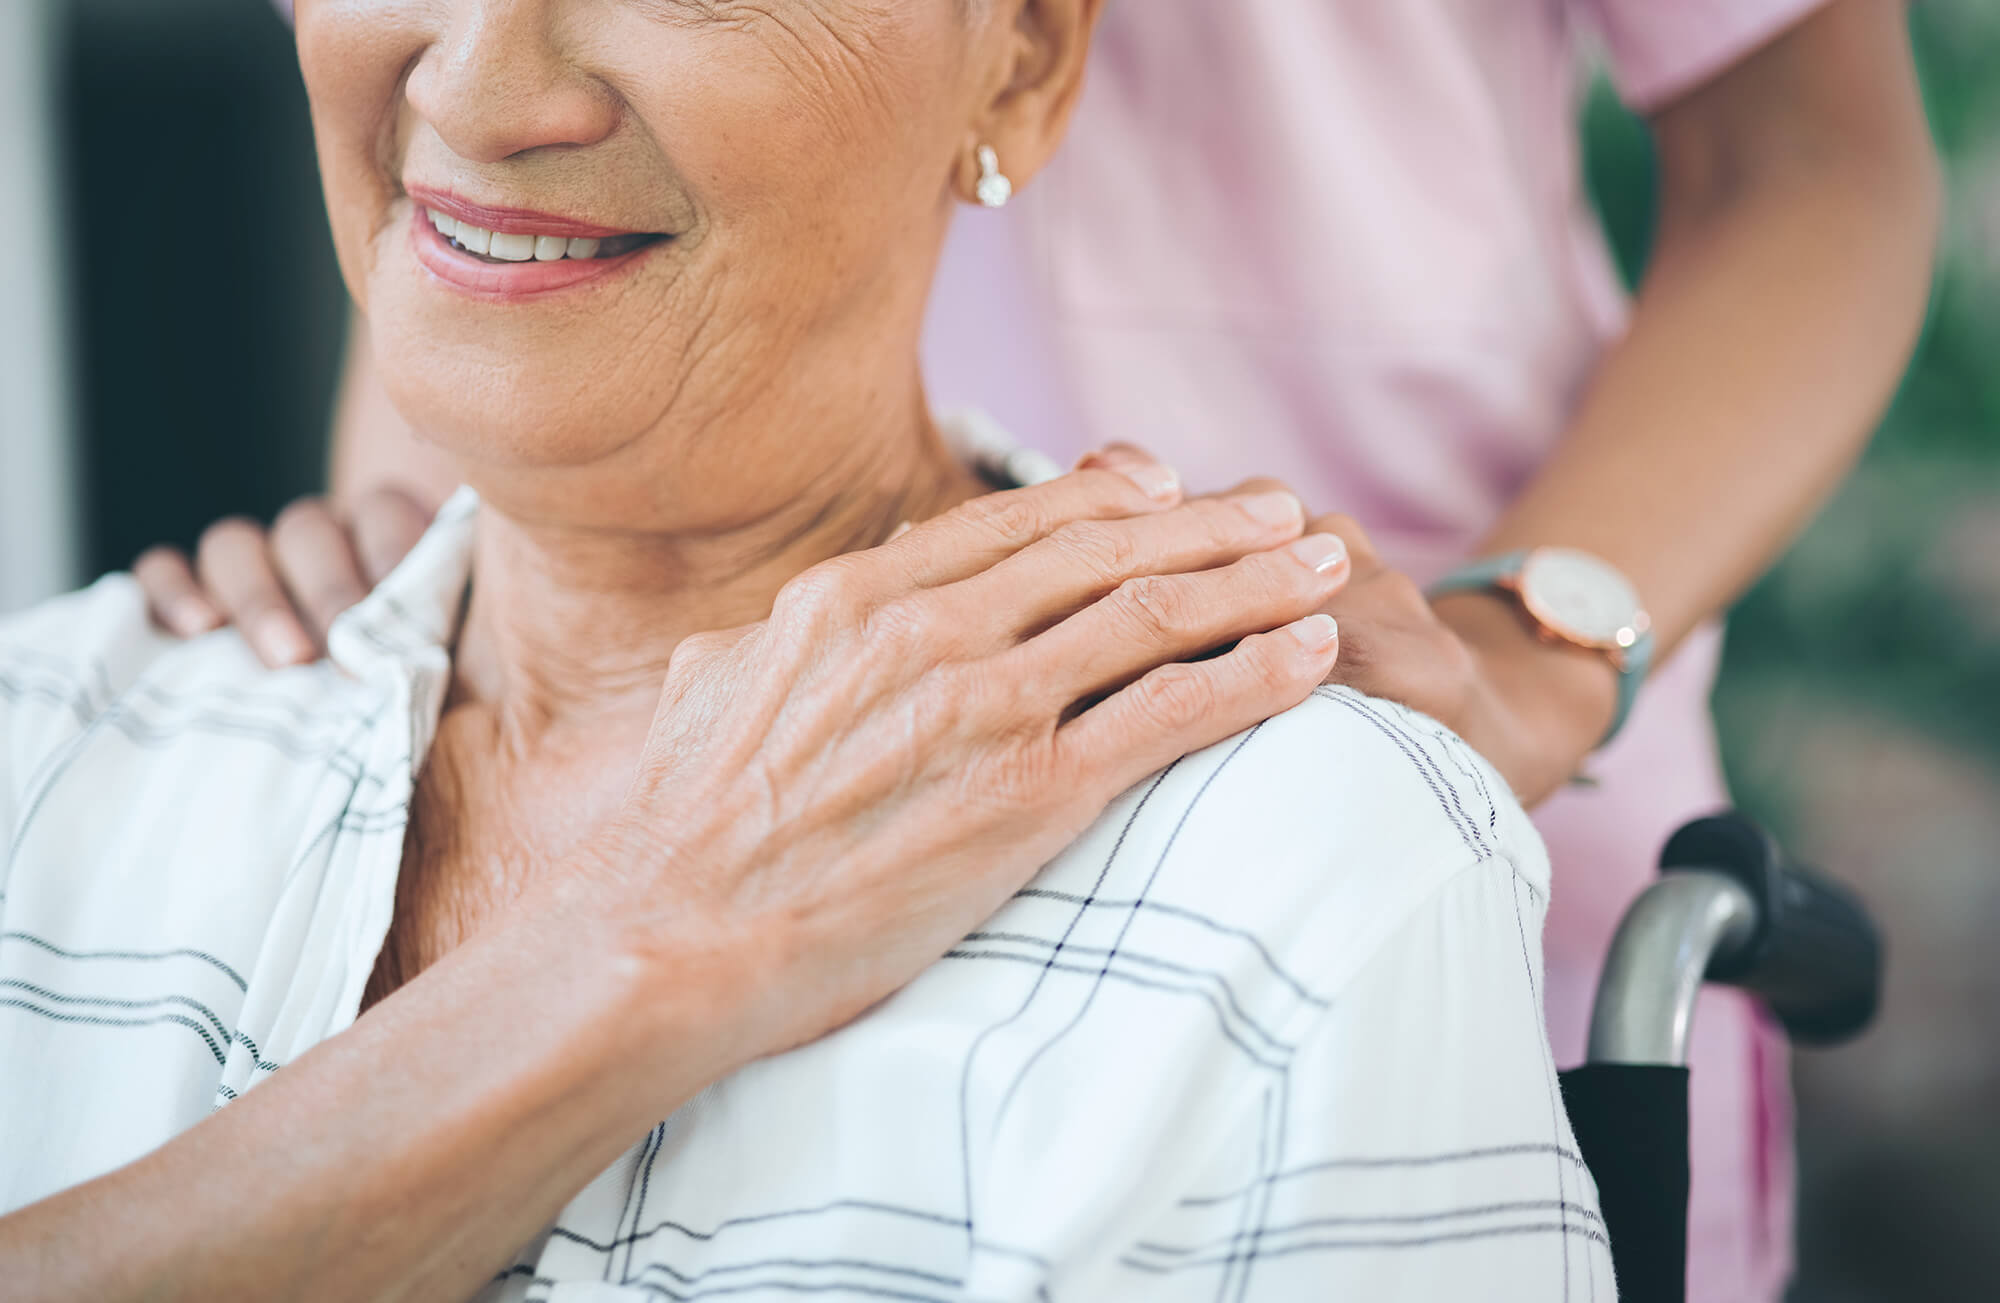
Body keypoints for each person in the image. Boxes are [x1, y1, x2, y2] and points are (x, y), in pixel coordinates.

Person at [142, 2, 1938, 1295]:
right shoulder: (100, 743)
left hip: (1388, 727)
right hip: (677, 736)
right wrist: (434, 545)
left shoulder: (1361, 848)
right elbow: (509, 90)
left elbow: (1815, 162)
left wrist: (1538, 650)